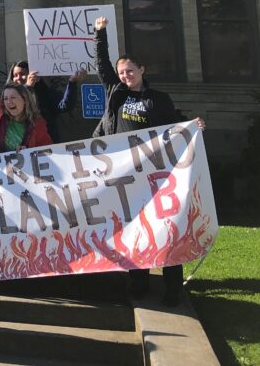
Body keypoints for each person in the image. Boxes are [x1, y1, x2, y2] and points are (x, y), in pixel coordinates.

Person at [92, 16, 205, 307]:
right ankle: (138, 281)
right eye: (122, 71)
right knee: (133, 229)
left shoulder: (159, 99)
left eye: (130, 70)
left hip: (158, 175)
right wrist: (100, 33)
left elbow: (173, 127)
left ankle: (172, 287)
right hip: (126, 176)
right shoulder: (114, 94)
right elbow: (102, 65)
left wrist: (192, 125)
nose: (125, 75)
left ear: (142, 70)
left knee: (166, 227)